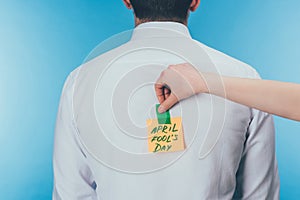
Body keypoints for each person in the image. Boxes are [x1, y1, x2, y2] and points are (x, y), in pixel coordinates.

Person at [53, 0, 280, 199]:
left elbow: (73, 193)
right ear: (195, 1)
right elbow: (260, 195)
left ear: (126, 1)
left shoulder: (79, 82)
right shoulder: (244, 79)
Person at [155, 63, 300, 121]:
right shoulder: (243, 71)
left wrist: (202, 81)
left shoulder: (246, 73)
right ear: (195, 3)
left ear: (130, 3)